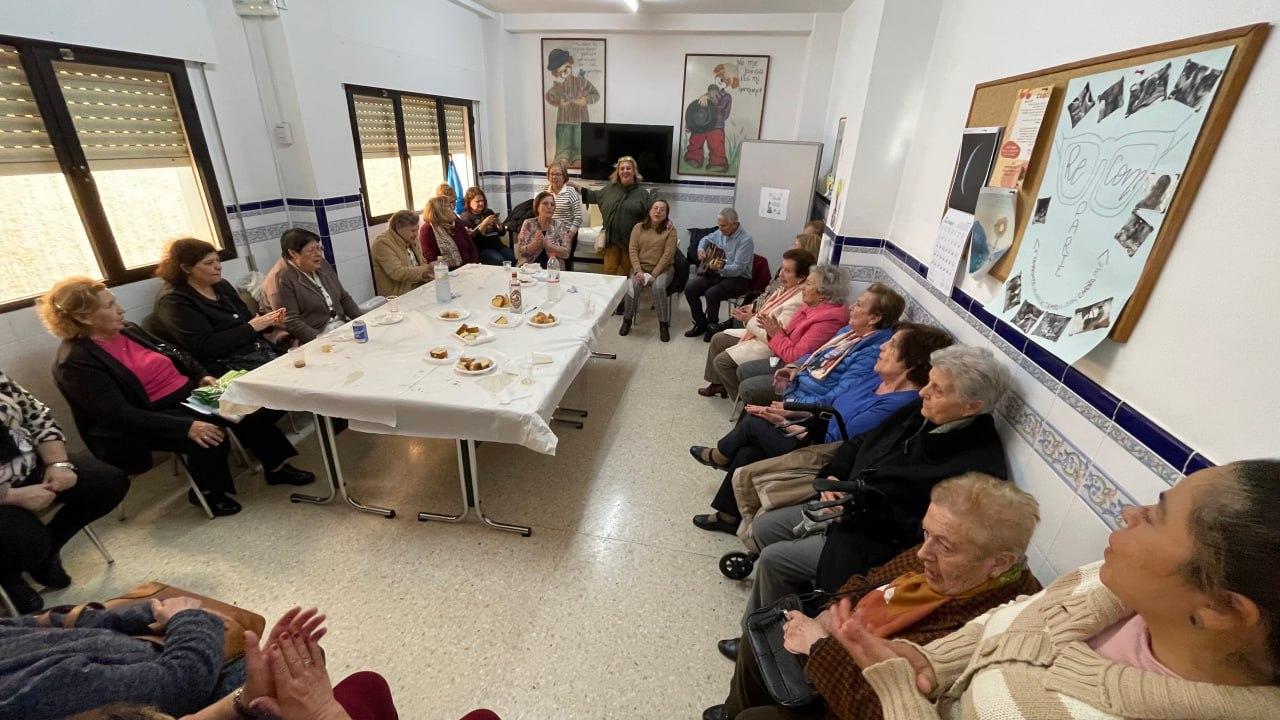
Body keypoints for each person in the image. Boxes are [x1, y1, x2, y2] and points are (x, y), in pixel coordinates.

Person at [835, 460, 1280, 720]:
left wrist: (898, 691)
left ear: (1221, 609)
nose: (1129, 513)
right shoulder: (1107, 582)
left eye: (1158, 516)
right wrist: (935, 659)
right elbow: (1022, 614)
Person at [706, 473, 1043, 720]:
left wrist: (819, 645)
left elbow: (887, 706)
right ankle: (735, 707)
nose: (924, 552)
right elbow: (867, 581)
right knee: (761, 637)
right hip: (837, 646)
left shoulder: (994, 622)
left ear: (999, 563)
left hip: (854, 695)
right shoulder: (950, 558)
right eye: (926, 533)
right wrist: (829, 611)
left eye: (944, 546)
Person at [737, 345, 1009, 630]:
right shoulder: (923, 414)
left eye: (937, 389)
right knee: (766, 527)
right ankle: (791, 603)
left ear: (971, 407)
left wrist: (859, 508)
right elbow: (859, 443)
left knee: (773, 560)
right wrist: (834, 475)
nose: (922, 392)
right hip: (845, 505)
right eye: (929, 382)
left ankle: (762, 636)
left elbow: (925, 534)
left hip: (870, 542)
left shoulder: (976, 467)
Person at [41, 279, 315, 518]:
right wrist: (186, 426)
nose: (120, 309)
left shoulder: (128, 329)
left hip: (186, 394)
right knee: (209, 433)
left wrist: (202, 376)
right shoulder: (76, 363)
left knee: (250, 407)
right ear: (86, 317)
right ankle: (208, 492)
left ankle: (276, 467)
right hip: (146, 415)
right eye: (109, 305)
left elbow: (176, 353)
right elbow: (117, 414)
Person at [690, 324, 954, 535]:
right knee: (749, 450)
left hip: (825, 455)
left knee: (753, 423)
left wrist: (790, 422)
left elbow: (843, 441)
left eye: (893, 345)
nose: (883, 345)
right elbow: (831, 407)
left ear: (912, 362)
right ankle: (728, 515)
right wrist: (790, 413)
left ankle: (720, 457)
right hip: (814, 432)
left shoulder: (897, 406)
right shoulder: (876, 378)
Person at [0, 603, 328, 719]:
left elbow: (40, 622)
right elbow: (178, 686)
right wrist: (190, 620)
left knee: (289, 663)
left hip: (152, 671)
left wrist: (148, 614)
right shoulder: (26, 697)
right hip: (175, 686)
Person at [0, 370, 128, 613]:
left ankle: (47, 553)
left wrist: (57, 464)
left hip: (27, 464)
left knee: (107, 483)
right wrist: (10, 497)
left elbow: (36, 415)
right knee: (24, 540)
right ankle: (9, 577)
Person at [736, 283, 906, 407]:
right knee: (752, 399)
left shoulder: (871, 353)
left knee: (750, 389)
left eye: (859, 305)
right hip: (799, 379)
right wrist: (793, 367)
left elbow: (838, 396)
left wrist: (792, 403)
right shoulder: (849, 331)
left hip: (806, 395)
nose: (852, 307)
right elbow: (815, 354)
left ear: (874, 318)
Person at [151, 239, 288, 377]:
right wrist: (252, 327)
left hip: (256, 351)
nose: (218, 267)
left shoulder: (221, 285)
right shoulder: (174, 301)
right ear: (186, 268)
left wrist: (268, 322)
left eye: (217, 260)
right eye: (209, 263)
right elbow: (203, 347)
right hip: (221, 366)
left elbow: (246, 320)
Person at [700, 249, 815, 400]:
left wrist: (749, 320)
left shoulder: (797, 300)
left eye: (787, 271)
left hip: (770, 346)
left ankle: (742, 401)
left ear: (802, 277)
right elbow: (767, 315)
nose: (780, 274)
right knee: (718, 339)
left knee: (722, 362)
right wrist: (752, 313)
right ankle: (718, 384)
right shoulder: (786, 289)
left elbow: (772, 335)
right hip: (758, 333)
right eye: (782, 268)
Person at [261, 229, 364, 345]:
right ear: (293, 253)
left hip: (340, 327)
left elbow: (343, 297)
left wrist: (363, 321)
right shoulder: (280, 279)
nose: (318, 254)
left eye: (319, 248)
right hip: (312, 337)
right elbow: (291, 322)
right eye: (311, 250)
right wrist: (323, 341)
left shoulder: (321, 264)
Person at [684, 207, 755, 340]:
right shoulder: (721, 232)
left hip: (739, 279)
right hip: (720, 273)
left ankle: (713, 327)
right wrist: (700, 249)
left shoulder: (746, 240)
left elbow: (738, 268)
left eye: (723, 225)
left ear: (735, 224)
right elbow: (705, 239)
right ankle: (700, 324)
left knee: (712, 293)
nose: (720, 228)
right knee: (690, 289)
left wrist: (720, 268)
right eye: (719, 225)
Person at [579, 155, 650, 279]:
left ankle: (624, 299)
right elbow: (594, 196)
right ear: (618, 171)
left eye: (628, 168)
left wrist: (666, 223)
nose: (625, 171)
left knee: (625, 277)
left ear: (634, 171)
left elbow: (652, 215)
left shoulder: (642, 194)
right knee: (609, 276)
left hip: (631, 245)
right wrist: (575, 186)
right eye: (622, 169)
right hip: (611, 243)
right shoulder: (609, 189)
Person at [620, 197, 678, 341]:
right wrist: (638, 271)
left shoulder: (670, 230)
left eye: (662, 209)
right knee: (632, 284)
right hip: (640, 268)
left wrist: (654, 275)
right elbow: (632, 250)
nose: (658, 211)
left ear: (666, 214)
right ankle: (627, 320)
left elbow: (667, 255)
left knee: (658, 287)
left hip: (663, 269)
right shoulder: (638, 227)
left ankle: (663, 324)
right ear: (650, 211)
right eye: (655, 208)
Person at [544, 47, 600, 167]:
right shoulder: (558, 86)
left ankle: (578, 157)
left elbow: (596, 95)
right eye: (562, 71)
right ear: (557, 74)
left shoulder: (582, 82)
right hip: (564, 121)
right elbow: (548, 96)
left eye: (567, 67)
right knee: (563, 144)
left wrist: (585, 100)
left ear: (570, 64)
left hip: (581, 121)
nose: (566, 71)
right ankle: (563, 157)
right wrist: (559, 102)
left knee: (580, 144)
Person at [370, 210, 432, 297]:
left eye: (417, 230)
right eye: (412, 231)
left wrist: (428, 273)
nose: (416, 234)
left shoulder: (411, 239)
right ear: (398, 229)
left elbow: (421, 263)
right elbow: (398, 272)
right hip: (398, 294)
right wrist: (427, 269)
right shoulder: (382, 243)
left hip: (418, 287)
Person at [420, 195, 479, 271]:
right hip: (447, 273)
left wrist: (473, 264)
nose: (452, 208)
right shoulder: (428, 229)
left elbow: (472, 247)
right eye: (449, 206)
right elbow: (430, 258)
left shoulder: (457, 223)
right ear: (440, 211)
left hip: (469, 267)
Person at [459, 187, 514, 266]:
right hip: (483, 248)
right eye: (477, 201)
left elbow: (501, 233)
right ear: (469, 202)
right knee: (501, 261)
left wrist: (500, 226)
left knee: (512, 258)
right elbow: (474, 240)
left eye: (482, 201)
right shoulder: (465, 217)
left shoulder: (488, 212)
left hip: (498, 245)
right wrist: (484, 224)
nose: (481, 203)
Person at [516, 191, 571, 267]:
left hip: (553, 268)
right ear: (537, 207)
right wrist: (535, 244)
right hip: (530, 267)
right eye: (545, 203)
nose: (549, 207)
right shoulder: (528, 224)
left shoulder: (560, 225)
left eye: (552, 204)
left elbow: (566, 253)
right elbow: (521, 252)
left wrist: (548, 246)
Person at [545, 162, 583, 267]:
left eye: (558, 174)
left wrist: (569, 235)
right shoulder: (545, 192)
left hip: (566, 233)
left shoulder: (570, 192)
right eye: (552, 174)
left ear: (564, 176)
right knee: (547, 263)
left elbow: (578, 217)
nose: (554, 177)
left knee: (564, 264)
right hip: (549, 233)